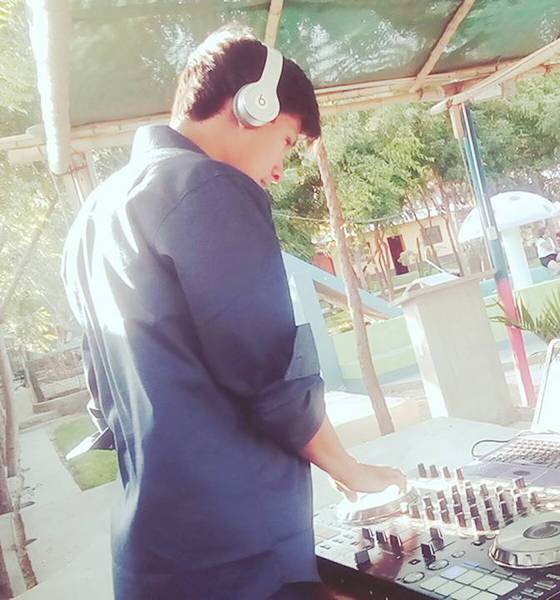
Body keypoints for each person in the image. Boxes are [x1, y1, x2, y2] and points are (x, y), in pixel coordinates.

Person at [61, 26, 405, 600]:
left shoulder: (94, 214)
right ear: (253, 106)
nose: (280, 169)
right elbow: (269, 370)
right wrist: (351, 470)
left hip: (149, 554)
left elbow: (103, 398)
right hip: (236, 555)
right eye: (287, 142)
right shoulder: (207, 186)